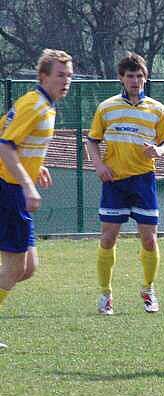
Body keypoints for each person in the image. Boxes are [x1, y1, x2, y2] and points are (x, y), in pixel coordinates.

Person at [87, 52, 164, 315]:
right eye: (130, 76)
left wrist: (160, 151)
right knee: (107, 238)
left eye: (139, 76)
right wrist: (99, 166)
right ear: (121, 79)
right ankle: (105, 294)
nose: (135, 81)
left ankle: (148, 289)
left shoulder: (157, 109)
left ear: (145, 78)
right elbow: (91, 140)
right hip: (114, 182)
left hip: (143, 181)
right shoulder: (107, 107)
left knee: (149, 240)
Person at [0, 49, 73, 350]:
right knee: (16, 267)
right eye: (60, 75)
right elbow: (4, 146)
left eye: (69, 75)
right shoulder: (34, 105)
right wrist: (28, 185)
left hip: (17, 186)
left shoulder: (46, 105)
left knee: (27, 268)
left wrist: (35, 167)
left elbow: (9, 134)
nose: (66, 81)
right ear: (43, 76)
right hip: (9, 189)